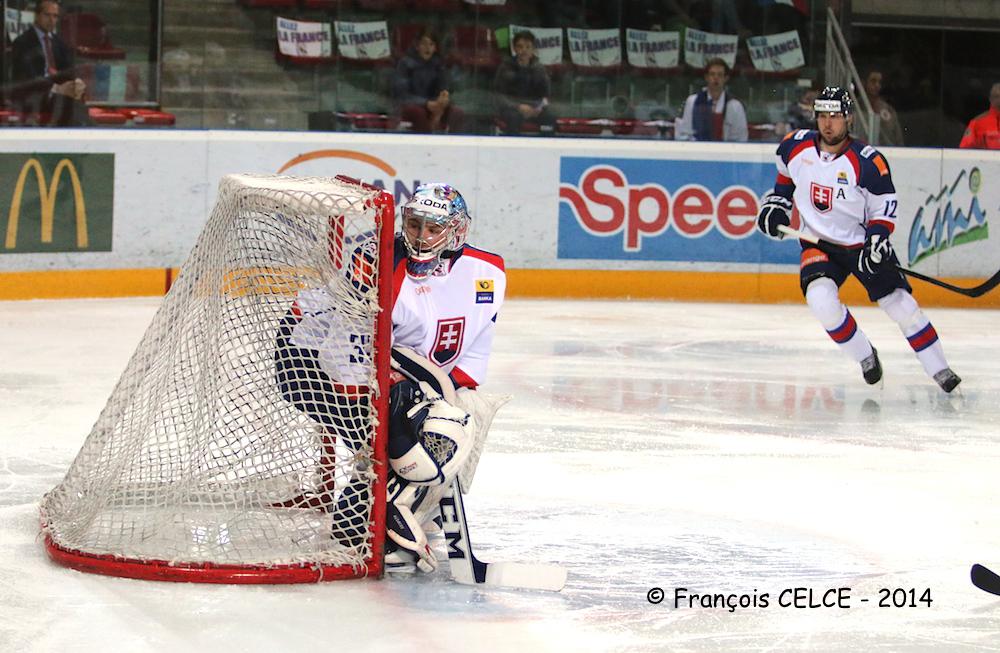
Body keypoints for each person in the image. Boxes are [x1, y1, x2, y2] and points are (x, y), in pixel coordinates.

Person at [275, 182, 507, 574]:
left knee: (444, 424)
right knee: (403, 435)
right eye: (414, 225)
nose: (420, 236)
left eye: (433, 228)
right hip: (306, 360)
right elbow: (344, 345)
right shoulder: (378, 262)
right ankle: (382, 511)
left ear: (457, 230)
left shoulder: (487, 271)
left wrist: (455, 389)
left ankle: (384, 511)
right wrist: (381, 415)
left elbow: (477, 335)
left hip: (398, 369)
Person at [756, 87, 961, 393]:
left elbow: (884, 207)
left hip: (862, 245)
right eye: (823, 116)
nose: (828, 123)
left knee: (900, 305)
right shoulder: (794, 146)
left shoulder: (867, 161)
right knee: (820, 301)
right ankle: (865, 356)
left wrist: (877, 239)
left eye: (836, 116)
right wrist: (777, 206)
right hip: (818, 242)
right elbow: (784, 181)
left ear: (849, 118)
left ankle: (941, 370)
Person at [9, 0, 90, 126]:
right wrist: (56, 89)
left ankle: (84, 134)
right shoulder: (22, 42)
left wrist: (76, 83)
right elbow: (28, 79)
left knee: (74, 99)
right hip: (34, 95)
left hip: (58, 95)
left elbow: (69, 70)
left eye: (55, 16)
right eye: (47, 15)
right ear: (36, 16)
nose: (52, 20)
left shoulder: (59, 43)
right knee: (70, 105)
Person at [391, 29, 464, 134]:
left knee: (457, 112)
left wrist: (442, 100)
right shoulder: (405, 64)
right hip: (411, 106)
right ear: (417, 46)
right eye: (424, 44)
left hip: (433, 105)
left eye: (431, 44)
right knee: (418, 112)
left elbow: (443, 88)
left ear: (435, 48)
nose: (427, 48)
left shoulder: (438, 65)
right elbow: (402, 95)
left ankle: (455, 144)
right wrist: (426, 103)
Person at [493, 30, 556, 135]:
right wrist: (518, 107)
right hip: (512, 109)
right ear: (514, 48)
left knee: (549, 119)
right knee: (513, 118)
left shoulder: (539, 68)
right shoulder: (506, 67)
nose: (524, 50)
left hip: (535, 109)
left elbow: (546, 95)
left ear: (533, 49)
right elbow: (499, 95)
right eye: (520, 47)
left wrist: (539, 108)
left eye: (528, 47)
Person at [675, 57, 748, 142]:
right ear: (706, 77)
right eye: (712, 74)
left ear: (726, 78)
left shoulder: (735, 106)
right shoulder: (692, 102)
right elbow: (683, 134)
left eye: (720, 75)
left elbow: (741, 138)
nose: (716, 78)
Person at [862, 68, 904, 146]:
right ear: (864, 83)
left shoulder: (889, 110)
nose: (877, 85)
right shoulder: (855, 108)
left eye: (879, 82)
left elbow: (898, 139)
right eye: (873, 81)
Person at [959, 82, 1000, 150]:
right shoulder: (977, 122)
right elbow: (964, 150)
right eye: (996, 96)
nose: (999, 100)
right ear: (990, 99)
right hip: (985, 160)